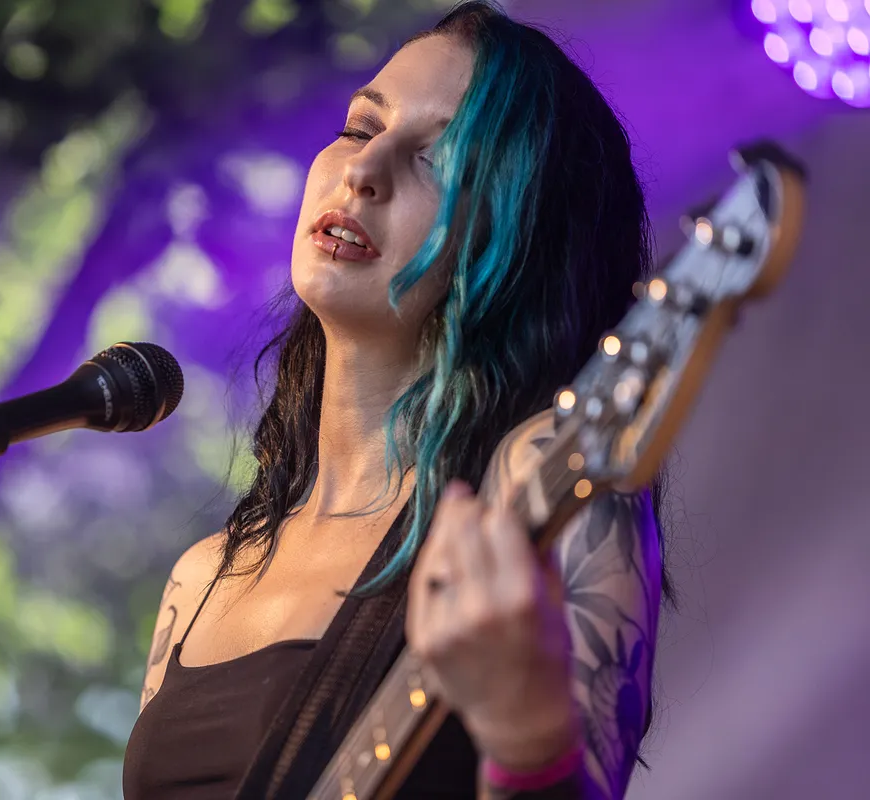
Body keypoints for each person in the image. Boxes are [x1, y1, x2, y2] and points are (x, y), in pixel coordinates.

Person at [123, 2, 669, 797]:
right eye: (360, 127)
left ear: (517, 243)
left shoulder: (548, 485)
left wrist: (528, 737)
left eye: (436, 161)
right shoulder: (201, 576)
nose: (364, 170)